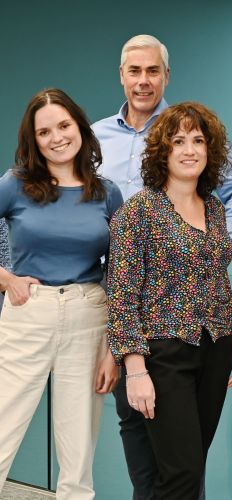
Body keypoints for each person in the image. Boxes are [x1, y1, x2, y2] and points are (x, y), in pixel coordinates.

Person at [91, 34, 232, 500]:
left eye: (198, 141)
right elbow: (123, 294)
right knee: (175, 473)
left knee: (188, 467)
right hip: (160, 350)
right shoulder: (138, 211)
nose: (189, 149)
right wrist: (135, 367)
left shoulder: (214, 210)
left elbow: (215, 279)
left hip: (213, 349)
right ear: (162, 151)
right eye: (179, 141)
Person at [0, 88, 123, 499]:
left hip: (89, 316)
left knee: (78, 451)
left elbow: (121, 274)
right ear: (33, 140)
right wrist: (6, 279)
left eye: (64, 125)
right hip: (28, 314)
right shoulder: (15, 185)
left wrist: (113, 350)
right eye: (44, 132)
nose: (57, 138)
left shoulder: (107, 193)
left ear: (80, 128)